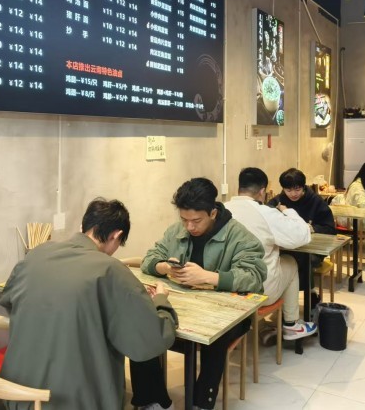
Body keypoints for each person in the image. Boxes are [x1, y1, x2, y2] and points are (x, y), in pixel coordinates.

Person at [0, 198, 178, 410]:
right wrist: (161, 300)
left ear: (82, 226)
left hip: (15, 393)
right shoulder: (110, 269)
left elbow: (8, 298)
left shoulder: (38, 253)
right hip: (72, 402)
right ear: (116, 235)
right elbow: (151, 338)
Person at [135, 178, 266, 410]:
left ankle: (202, 403)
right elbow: (150, 258)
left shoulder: (238, 235)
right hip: (186, 306)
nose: (189, 227)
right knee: (140, 325)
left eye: (196, 221)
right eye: (184, 219)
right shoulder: (177, 230)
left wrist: (208, 277)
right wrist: (165, 268)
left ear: (213, 213)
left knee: (215, 335)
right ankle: (154, 401)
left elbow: (254, 277)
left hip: (227, 313)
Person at [225, 167, 317, 341]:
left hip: (226, 285)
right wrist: (288, 211)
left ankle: (260, 326)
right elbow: (301, 236)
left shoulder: (222, 209)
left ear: (239, 188)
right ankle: (291, 324)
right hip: (259, 290)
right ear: (262, 191)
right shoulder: (265, 213)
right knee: (290, 262)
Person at [267, 168, 336, 303]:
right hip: (285, 248)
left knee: (302, 257)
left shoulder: (315, 201)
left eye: (297, 189)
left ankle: (309, 293)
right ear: (283, 189)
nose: (293, 194)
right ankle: (283, 297)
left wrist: (312, 228)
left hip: (312, 250)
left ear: (303, 187)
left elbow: (330, 229)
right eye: (288, 190)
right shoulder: (278, 202)